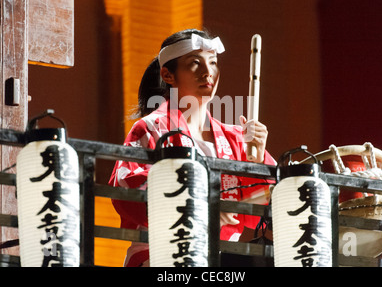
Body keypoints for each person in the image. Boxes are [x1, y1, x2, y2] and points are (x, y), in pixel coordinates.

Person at [108, 28, 276, 267]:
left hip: (222, 260)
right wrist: (199, 205)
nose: (208, 72)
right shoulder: (151, 128)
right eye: (195, 63)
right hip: (161, 255)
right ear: (168, 75)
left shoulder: (237, 139)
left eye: (213, 62)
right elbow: (128, 187)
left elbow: (264, 212)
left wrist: (257, 164)